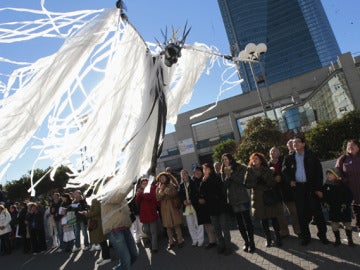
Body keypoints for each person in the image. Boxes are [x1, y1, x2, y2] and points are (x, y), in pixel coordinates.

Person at [282, 135, 329, 246]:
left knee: (317, 213)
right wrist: (290, 181)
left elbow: (319, 173)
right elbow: (284, 172)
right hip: (298, 189)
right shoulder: (288, 158)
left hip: (311, 187)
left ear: (303, 144)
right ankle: (306, 237)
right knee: (301, 215)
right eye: (293, 142)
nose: (295, 144)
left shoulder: (311, 156)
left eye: (298, 142)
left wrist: (318, 188)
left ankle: (322, 235)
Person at [245, 153, 282, 247]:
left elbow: (273, 183)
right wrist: (255, 181)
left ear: (261, 160)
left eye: (256, 158)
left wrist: (265, 180)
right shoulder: (249, 170)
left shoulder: (267, 169)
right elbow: (246, 184)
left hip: (268, 196)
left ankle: (278, 238)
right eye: (253, 159)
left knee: (274, 218)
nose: (254, 160)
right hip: (257, 198)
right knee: (263, 220)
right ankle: (268, 239)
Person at [221, 153, 255, 252]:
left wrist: (231, 174)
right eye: (223, 160)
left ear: (231, 159)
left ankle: (252, 242)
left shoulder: (240, 167)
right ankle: (246, 242)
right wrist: (227, 176)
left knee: (248, 221)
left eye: (226, 159)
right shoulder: (223, 171)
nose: (224, 161)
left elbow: (241, 181)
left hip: (243, 198)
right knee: (240, 223)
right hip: (233, 200)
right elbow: (224, 186)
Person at [200, 163, 232, 255]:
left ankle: (228, 247)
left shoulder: (217, 177)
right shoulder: (204, 180)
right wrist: (203, 182)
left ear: (210, 169)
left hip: (221, 207)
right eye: (203, 169)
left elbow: (220, 190)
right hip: (211, 208)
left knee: (224, 228)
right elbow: (201, 193)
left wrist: (207, 180)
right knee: (217, 229)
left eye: (205, 169)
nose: (204, 171)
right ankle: (221, 245)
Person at [268, 146, 300, 238]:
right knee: (279, 213)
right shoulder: (267, 164)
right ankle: (284, 231)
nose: (273, 152)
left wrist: (283, 178)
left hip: (287, 189)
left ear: (279, 153)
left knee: (293, 211)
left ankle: (297, 229)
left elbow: (289, 172)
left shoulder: (285, 160)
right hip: (275, 191)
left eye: (275, 150)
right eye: (271, 151)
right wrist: (274, 179)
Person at [102, 197, 138, 270]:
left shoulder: (121, 195)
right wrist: (131, 185)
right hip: (115, 231)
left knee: (134, 255)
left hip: (125, 228)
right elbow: (116, 198)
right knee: (126, 260)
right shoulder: (107, 194)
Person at [322, 168, 354, 246]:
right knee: (334, 225)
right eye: (327, 174)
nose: (328, 176)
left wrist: (346, 204)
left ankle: (350, 239)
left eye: (330, 174)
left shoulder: (343, 185)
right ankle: (337, 240)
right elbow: (323, 196)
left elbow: (350, 196)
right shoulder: (326, 185)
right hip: (333, 208)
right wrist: (324, 203)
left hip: (343, 208)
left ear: (336, 175)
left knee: (347, 225)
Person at [80, 189, 111, 266]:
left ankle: (107, 257)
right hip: (97, 222)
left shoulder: (95, 200)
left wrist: (86, 214)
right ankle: (104, 257)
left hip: (97, 222)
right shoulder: (96, 199)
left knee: (102, 240)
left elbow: (96, 211)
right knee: (101, 241)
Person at [336, 139, 360, 235]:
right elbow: (337, 172)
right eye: (348, 145)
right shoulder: (343, 159)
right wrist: (344, 180)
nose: (350, 146)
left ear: (358, 147)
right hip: (352, 190)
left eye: (353, 145)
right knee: (357, 211)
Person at [156, 172, 184, 250]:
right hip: (164, 208)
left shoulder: (171, 185)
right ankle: (171, 242)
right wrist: (161, 190)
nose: (162, 179)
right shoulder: (158, 187)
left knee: (176, 225)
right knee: (168, 226)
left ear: (167, 178)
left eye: (163, 177)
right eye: (160, 178)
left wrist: (165, 190)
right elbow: (158, 198)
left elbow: (173, 194)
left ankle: (180, 240)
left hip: (172, 206)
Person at [192, 166, 217, 249]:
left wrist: (204, 198)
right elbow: (193, 194)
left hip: (208, 205)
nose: (197, 173)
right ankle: (212, 241)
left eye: (198, 171)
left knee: (213, 223)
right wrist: (198, 199)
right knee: (206, 224)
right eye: (195, 172)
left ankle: (218, 240)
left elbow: (210, 191)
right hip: (199, 207)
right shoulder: (193, 182)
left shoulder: (206, 179)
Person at [179, 169, 204, 247]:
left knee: (198, 223)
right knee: (190, 225)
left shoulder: (193, 182)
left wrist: (192, 200)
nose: (184, 175)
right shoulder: (181, 185)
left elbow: (196, 193)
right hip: (186, 207)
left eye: (185, 173)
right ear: (181, 176)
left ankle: (200, 240)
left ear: (188, 174)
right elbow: (180, 196)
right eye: (182, 174)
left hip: (194, 205)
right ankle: (194, 240)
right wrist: (183, 201)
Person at [135, 178, 159, 253]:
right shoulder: (139, 191)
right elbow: (137, 202)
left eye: (146, 183)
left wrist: (141, 194)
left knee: (153, 231)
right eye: (143, 183)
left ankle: (154, 247)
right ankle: (152, 242)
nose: (145, 184)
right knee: (146, 230)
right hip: (144, 213)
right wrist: (138, 195)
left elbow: (150, 197)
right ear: (141, 185)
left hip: (152, 212)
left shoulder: (152, 189)